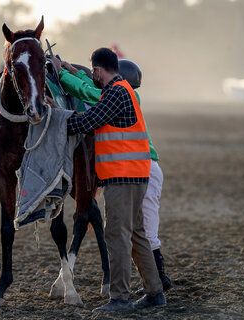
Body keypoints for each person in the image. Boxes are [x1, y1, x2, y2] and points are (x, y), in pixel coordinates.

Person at [48, 48, 166, 312]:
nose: (94, 78)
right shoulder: (122, 90)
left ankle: (120, 298)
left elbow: (89, 120)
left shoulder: (115, 93)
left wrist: (56, 116)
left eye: (95, 73)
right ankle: (155, 292)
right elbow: (92, 97)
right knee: (136, 235)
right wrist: (69, 70)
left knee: (117, 235)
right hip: (134, 174)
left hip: (122, 176)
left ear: (99, 70)